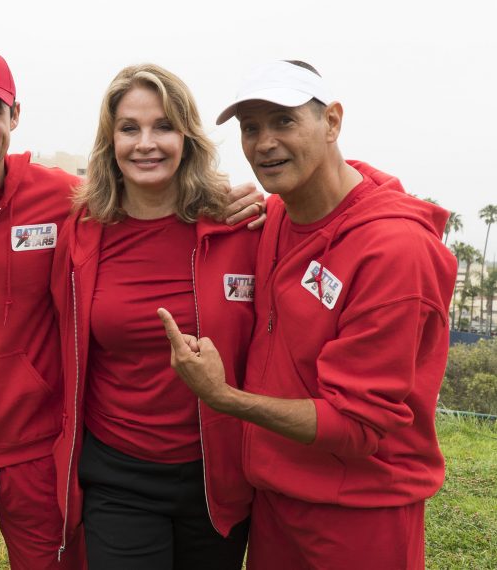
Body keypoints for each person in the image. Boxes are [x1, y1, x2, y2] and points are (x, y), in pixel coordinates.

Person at [0, 47, 264, 570]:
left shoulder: (68, 204)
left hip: (70, 456)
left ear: (14, 116)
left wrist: (260, 204)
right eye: (129, 129)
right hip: (28, 461)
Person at [158, 60, 458, 569]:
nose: (265, 142)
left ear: (332, 122)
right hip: (276, 502)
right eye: (251, 128)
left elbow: (358, 424)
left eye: (284, 121)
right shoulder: (277, 214)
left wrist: (224, 397)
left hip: (360, 516)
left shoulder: (394, 251)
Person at [50, 63, 256, 570]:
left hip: (215, 480)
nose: (146, 143)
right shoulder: (80, 233)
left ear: (187, 137)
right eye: (129, 128)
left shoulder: (241, 229)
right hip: (119, 476)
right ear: (110, 141)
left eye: (163, 126)